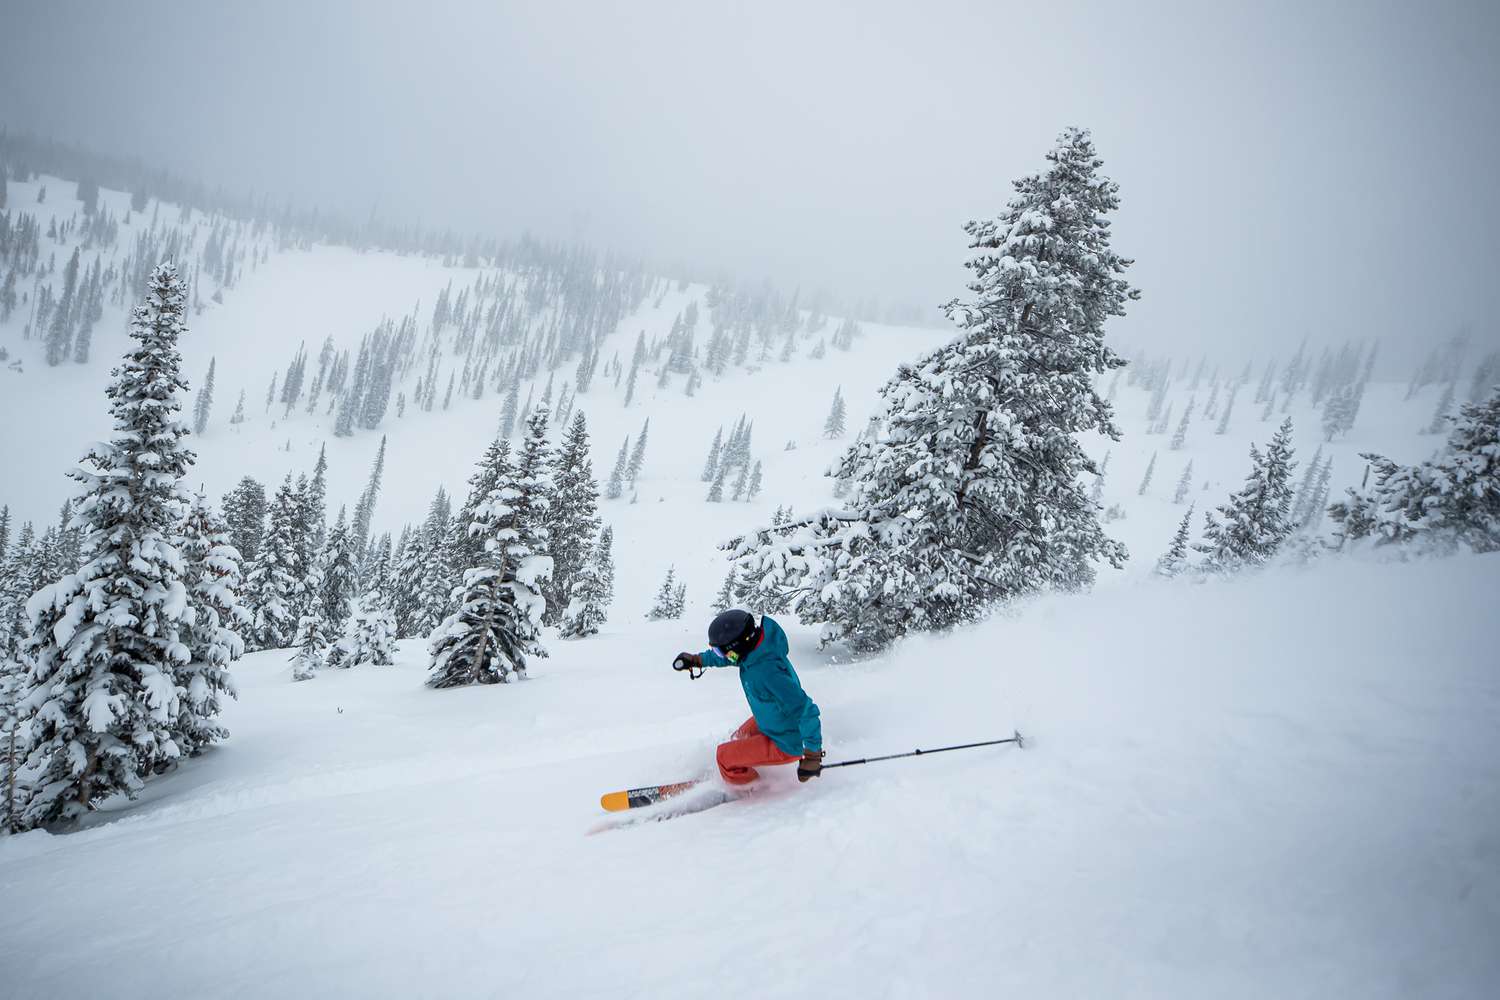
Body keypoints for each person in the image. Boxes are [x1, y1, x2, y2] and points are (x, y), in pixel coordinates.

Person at [675, 609, 824, 785]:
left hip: (787, 742)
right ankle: (737, 771)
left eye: (720, 651)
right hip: (775, 721)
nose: (721, 655)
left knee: (724, 757)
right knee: (737, 738)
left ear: (737, 647)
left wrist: (812, 755)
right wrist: (697, 660)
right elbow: (729, 657)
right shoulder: (757, 650)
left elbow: (805, 709)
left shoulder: (768, 672)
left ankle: (750, 789)